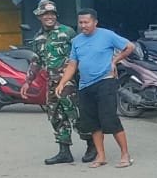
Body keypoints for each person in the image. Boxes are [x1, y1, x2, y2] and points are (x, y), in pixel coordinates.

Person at [55, 9, 135, 168]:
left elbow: (129, 46)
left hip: (105, 81)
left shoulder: (107, 35)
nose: (83, 25)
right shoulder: (76, 41)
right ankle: (101, 156)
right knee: (92, 122)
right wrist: (62, 82)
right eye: (81, 22)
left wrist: (115, 60)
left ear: (95, 22)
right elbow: (73, 64)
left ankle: (125, 155)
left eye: (86, 22)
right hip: (85, 85)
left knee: (110, 119)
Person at [32, 0, 91, 166]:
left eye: (52, 14)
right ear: (39, 17)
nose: (49, 17)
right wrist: (28, 81)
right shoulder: (38, 37)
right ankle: (64, 152)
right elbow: (37, 61)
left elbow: (81, 54)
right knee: (56, 116)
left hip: (69, 82)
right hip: (51, 83)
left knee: (75, 114)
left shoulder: (68, 32)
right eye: (45, 14)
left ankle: (92, 145)